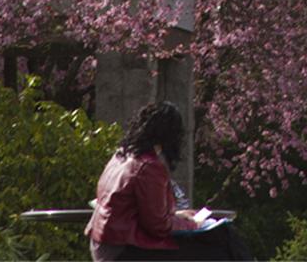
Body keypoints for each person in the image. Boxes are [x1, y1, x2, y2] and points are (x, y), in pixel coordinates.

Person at [85, 101, 252, 261]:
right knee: (222, 245)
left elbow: (141, 212)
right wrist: (193, 224)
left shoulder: (122, 156)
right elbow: (158, 226)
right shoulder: (148, 167)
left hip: (107, 246)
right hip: (124, 251)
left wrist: (177, 216)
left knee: (221, 241)